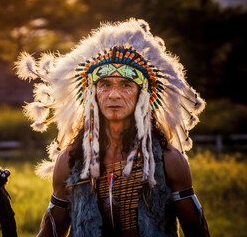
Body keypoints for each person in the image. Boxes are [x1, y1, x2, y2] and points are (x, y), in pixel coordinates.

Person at [15, 18, 210, 237]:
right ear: (93, 95)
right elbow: (51, 231)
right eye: (105, 85)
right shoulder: (69, 161)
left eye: (126, 85)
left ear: (143, 96)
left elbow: (197, 231)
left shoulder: (169, 161)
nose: (114, 95)